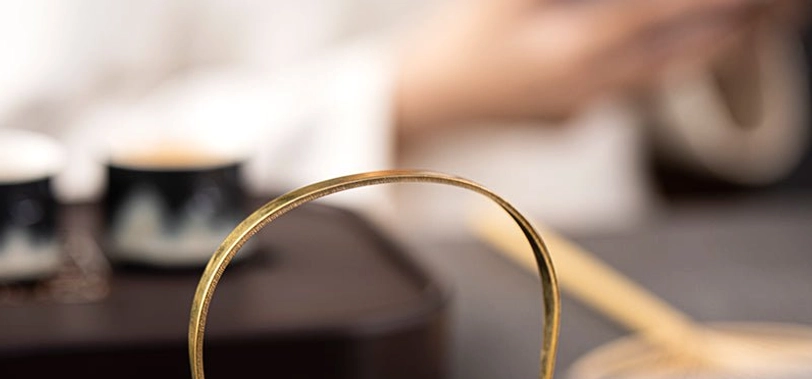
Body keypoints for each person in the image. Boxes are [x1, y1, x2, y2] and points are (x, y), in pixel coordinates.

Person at [1, 0, 808, 231]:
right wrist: (408, 95)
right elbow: (36, 148)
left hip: (613, 273)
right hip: (309, 330)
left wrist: (713, 27)